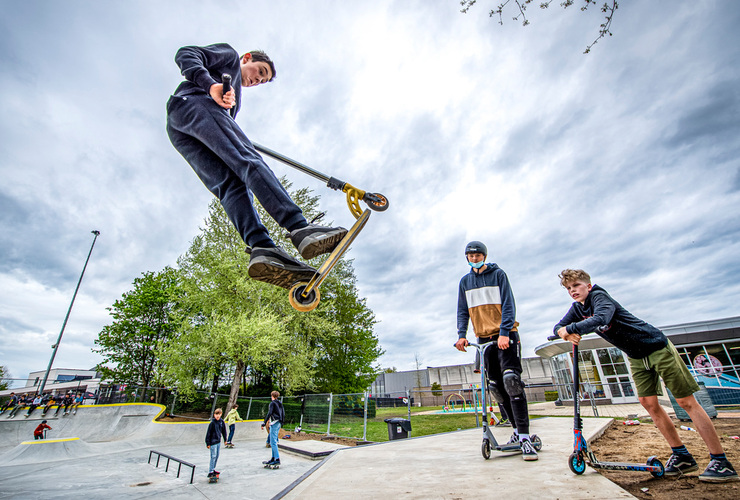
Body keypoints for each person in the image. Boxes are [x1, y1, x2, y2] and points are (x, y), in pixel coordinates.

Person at [167, 43, 347, 290]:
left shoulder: (233, 99)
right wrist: (211, 85)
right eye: (260, 72)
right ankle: (300, 227)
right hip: (194, 102)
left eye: (262, 81)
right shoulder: (229, 57)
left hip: (179, 126)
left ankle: (261, 247)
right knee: (248, 162)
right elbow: (186, 53)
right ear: (247, 58)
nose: (257, 80)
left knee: (231, 186)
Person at [553, 269, 738, 483]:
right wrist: (563, 331)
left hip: (656, 347)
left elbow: (600, 318)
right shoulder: (578, 308)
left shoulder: (599, 297)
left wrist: (571, 329)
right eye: (568, 288)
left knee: (685, 401)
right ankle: (681, 456)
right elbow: (559, 326)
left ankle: (721, 461)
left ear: (588, 285)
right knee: (648, 403)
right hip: (636, 356)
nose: (572, 291)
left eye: (576, 286)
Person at [454, 241, 537, 461]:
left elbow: (509, 304)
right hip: (483, 339)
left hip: (504, 336)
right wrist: (461, 335)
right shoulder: (465, 282)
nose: (474, 258)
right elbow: (463, 310)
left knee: (511, 381)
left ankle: (526, 438)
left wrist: (504, 332)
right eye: (470, 256)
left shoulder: (499, 275)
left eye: (478, 255)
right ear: (467, 258)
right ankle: (516, 432)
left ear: (485, 256)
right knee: (496, 387)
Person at [261, 390, 285, 467]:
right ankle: (273, 458)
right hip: (279, 422)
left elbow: (269, 413)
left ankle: (277, 459)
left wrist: (264, 423)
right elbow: (283, 413)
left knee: (273, 442)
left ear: (272, 396)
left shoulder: (272, 403)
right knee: (272, 440)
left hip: (274, 423)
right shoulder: (280, 403)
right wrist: (282, 422)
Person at [205, 408, 227, 478]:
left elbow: (224, 431)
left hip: (218, 442)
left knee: (217, 456)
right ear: (214, 415)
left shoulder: (221, 422)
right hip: (212, 442)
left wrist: (225, 440)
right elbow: (208, 433)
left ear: (221, 415)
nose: (217, 416)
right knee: (213, 456)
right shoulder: (212, 423)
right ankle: (210, 471)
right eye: (216, 415)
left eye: (219, 415)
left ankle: (213, 469)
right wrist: (208, 443)